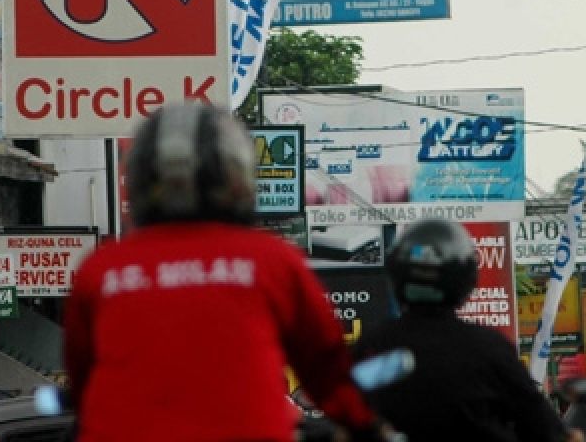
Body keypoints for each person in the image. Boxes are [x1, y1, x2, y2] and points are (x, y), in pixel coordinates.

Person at [63, 103, 387, 442]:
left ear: (140, 179)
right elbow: (328, 374)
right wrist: (368, 427)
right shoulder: (272, 261)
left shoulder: (101, 269)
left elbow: (83, 379)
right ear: (236, 178)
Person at [352, 218, 579, 442]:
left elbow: (345, 417)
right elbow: (542, 424)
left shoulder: (372, 346)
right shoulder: (489, 348)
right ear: (466, 277)